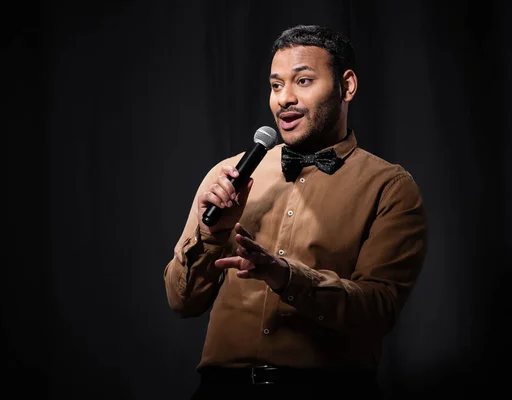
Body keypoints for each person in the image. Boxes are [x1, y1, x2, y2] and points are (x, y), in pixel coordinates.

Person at [164, 24, 427, 399]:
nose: (284, 98)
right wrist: (212, 234)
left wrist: (285, 276)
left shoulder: (390, 187)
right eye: (275, 85)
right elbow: (181, 301)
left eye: (303, 81)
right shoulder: (229, 175)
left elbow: (378, 310)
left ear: (347, 86)